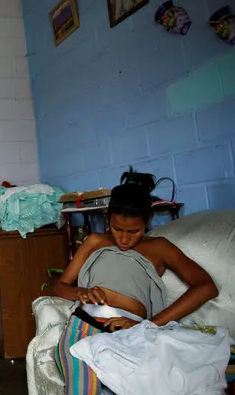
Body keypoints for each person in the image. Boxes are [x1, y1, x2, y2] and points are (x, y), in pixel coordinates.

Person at [53, 168, 218, 395]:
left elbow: (206, 287)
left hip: (132, 330)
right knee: (81, 389)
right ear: (107, 218)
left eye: (134, 231)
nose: (123, 238)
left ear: (148, 220)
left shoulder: (159, 247)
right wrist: (81, 292)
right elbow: (60, 286)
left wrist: (148, 324)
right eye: (117, 228)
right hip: (84, 325)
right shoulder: (95, 241)